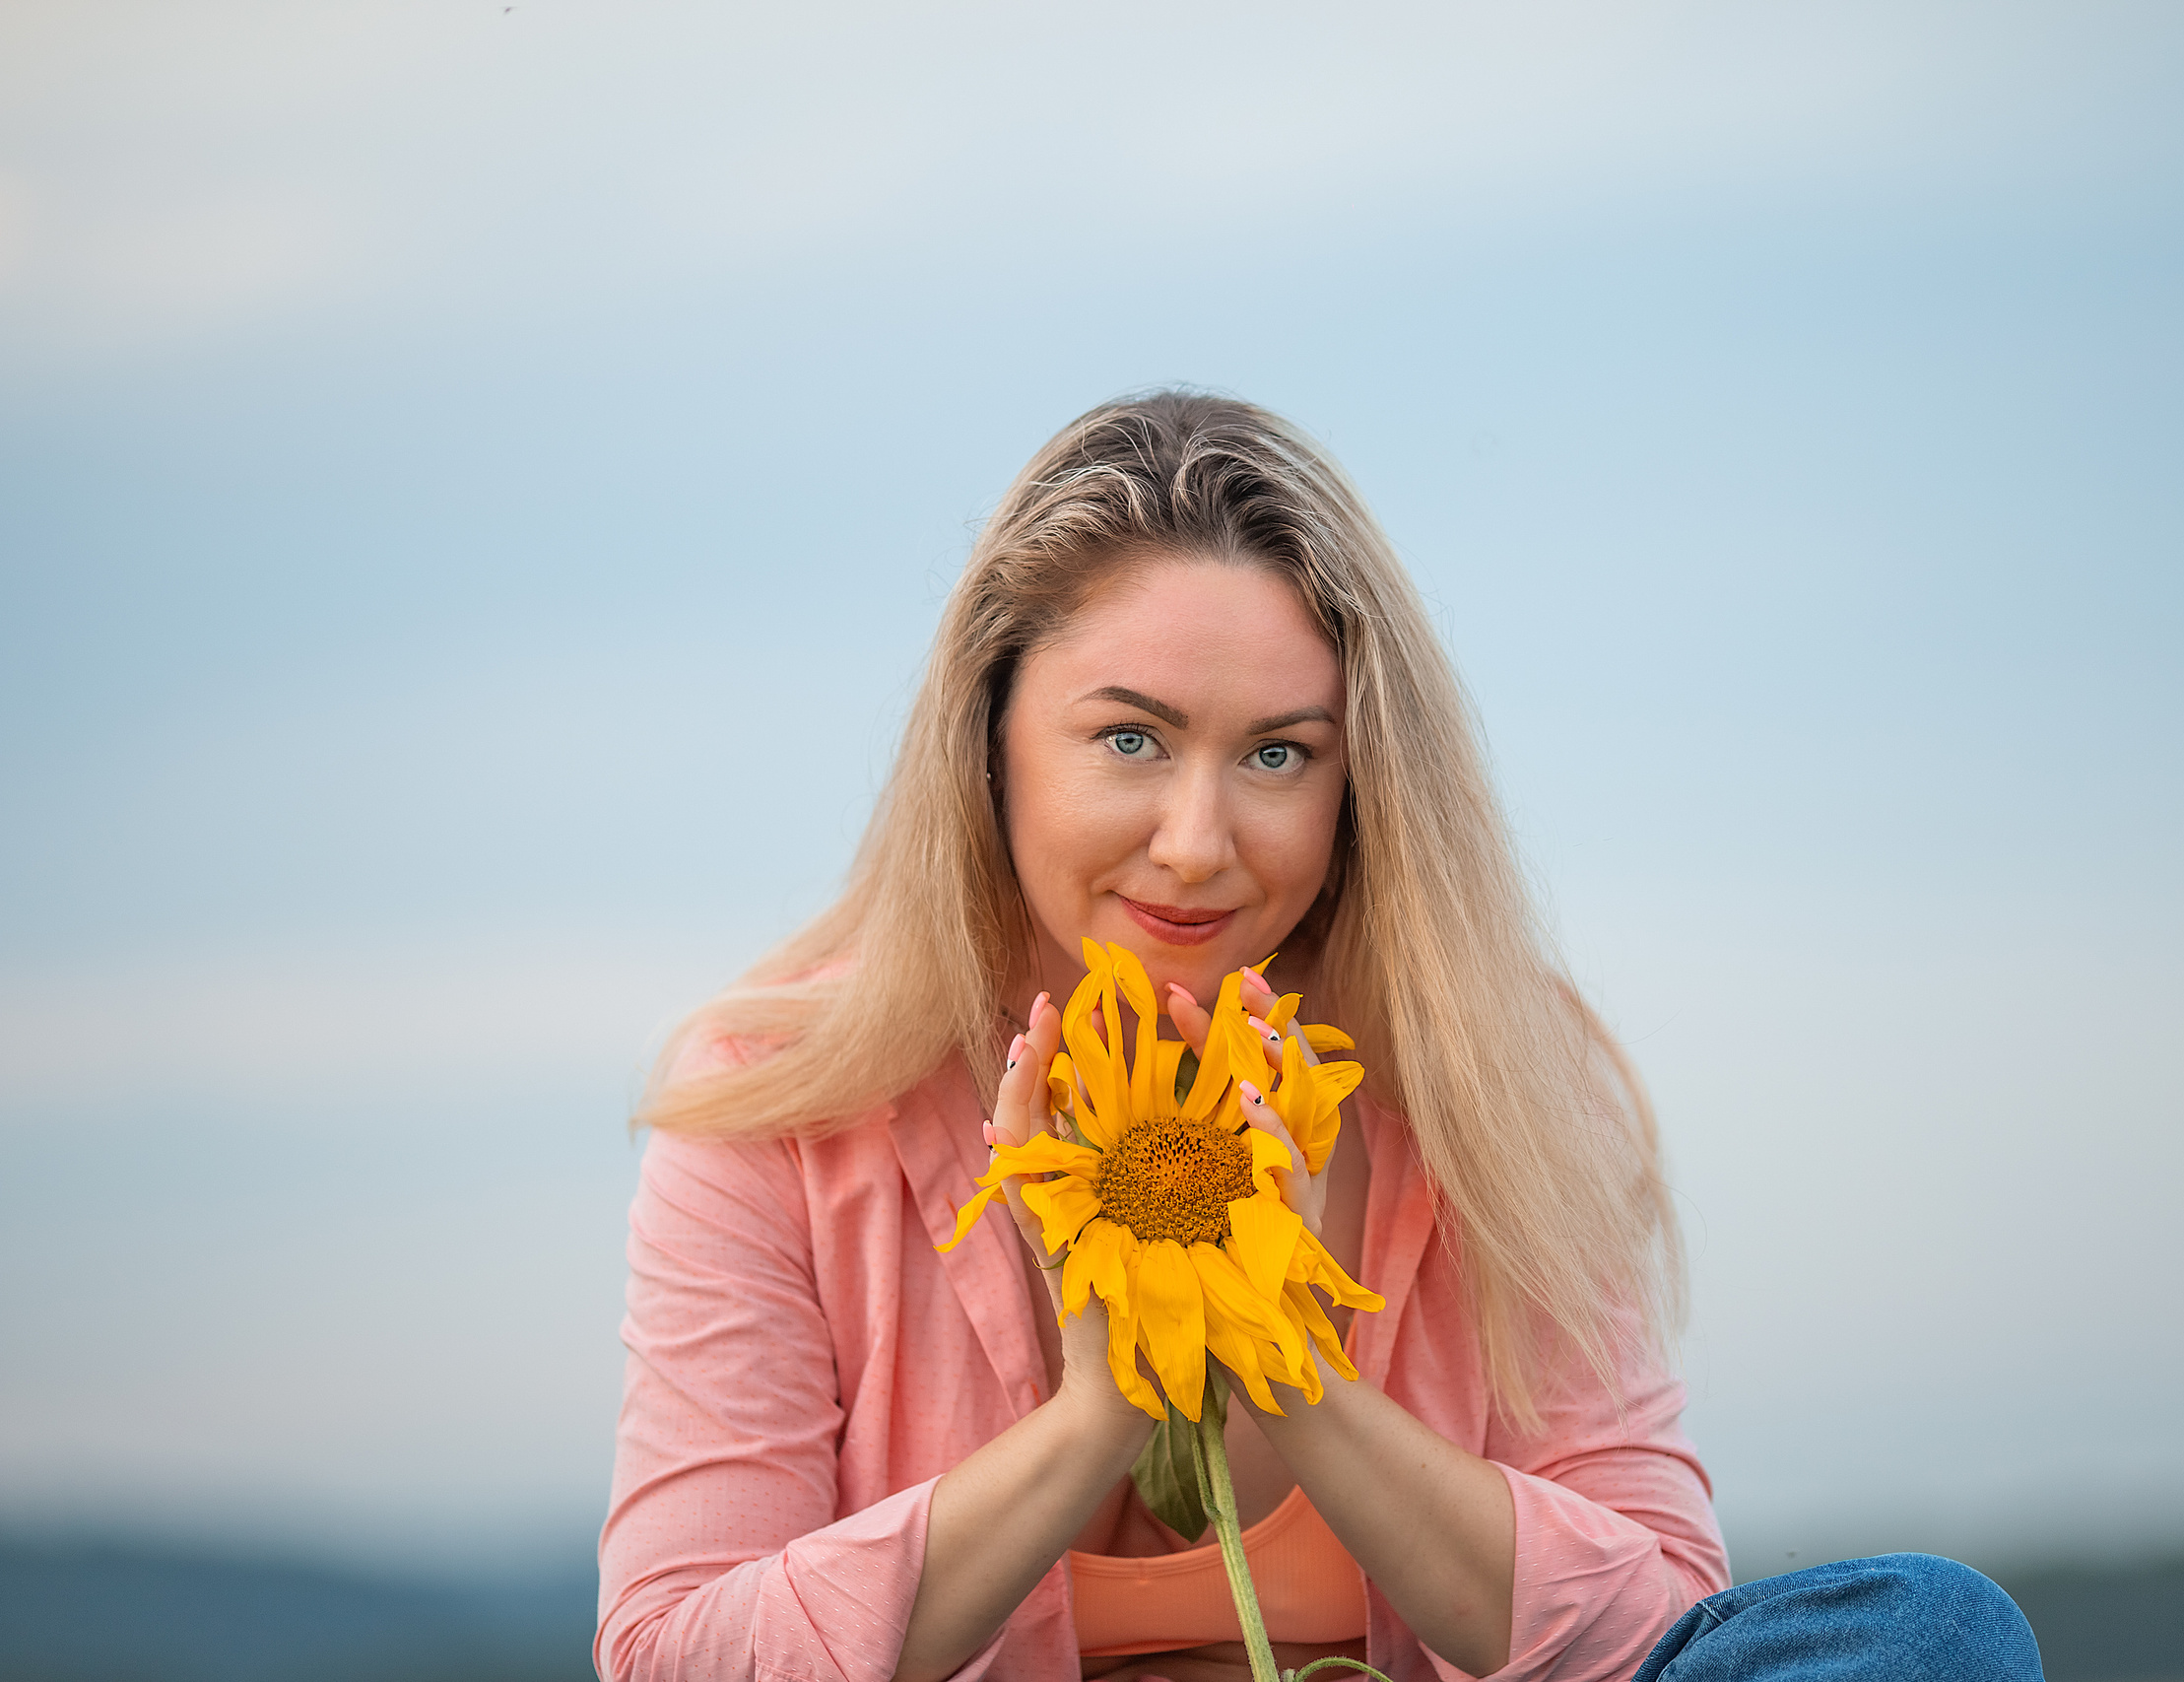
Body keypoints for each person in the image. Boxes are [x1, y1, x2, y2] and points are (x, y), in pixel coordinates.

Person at [595, 391, 2042, 1682]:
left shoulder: (1494, 1081)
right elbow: (671, 1657)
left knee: (1931, 1636)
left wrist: (1298, 1365)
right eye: (1131, 740)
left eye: (1279, 754)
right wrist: (1096, 1414)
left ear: (1361, 786)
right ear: (990, 738)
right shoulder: (778, 1107)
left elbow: (1661, 1628)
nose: (1198, 842)